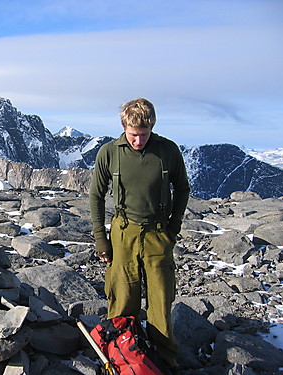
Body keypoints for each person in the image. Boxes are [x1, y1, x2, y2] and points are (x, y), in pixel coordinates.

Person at [89, 98, 190, 371]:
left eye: (144, 135)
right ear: (124, 127)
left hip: (158, 234)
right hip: (123, 234)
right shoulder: (109, 153)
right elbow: (96, 195)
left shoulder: (168, 151)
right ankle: (121, 360)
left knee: (160, 301)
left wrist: (173, 227)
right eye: (133, 135)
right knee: (122, 299)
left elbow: (182, 188)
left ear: (152, 127)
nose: (138, 141)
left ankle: (164, 362)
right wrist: (101, 238)